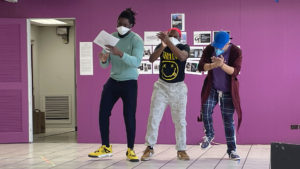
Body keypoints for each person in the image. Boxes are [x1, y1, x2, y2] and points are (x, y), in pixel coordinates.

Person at [88, 8, 144, 162]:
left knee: (129, 116)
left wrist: (120, 53)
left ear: (131, 25)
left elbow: (137, 62)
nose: (121, 26)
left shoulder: (136, 40)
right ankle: (106, 147)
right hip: (113, 81)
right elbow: (104, 66)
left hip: (130, 83)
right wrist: (103, 59)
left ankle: (130, 149)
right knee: (103, 113)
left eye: (124, 24)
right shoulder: (111, 38)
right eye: (119, 23)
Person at [141, 28, 190, 161]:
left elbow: (181, 57)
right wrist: (163, 45)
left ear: (179, 38)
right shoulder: (162, 46)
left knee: (180, 121)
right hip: (161, 86)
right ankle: (149, 147)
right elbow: (151, 59)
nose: (172, 37)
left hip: (178, 88)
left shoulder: (184, 46)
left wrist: (169, 42)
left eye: (175, 36)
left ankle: (181, 149)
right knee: (154, 118)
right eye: (170, 35)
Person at [197, 31, 242, 160]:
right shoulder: (210, 48)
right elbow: (201, 67)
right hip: (212, 87)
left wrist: (221, 65)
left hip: (228, 90)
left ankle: (232, 150)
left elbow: (235, 71)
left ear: (228, 42)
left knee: (228, 121)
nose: (217, 48)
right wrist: (213, 65)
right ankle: (209, 134)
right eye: (216, 45)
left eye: (220, 46)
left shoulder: (235, 52)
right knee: (205, 109)